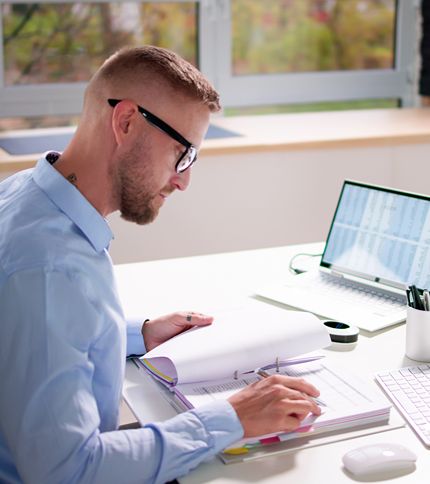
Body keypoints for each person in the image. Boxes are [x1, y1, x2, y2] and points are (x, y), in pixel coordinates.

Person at [0, 45, 321, 483]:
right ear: (126, 122)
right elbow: (67, 471)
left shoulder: (27, 195)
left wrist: (139, 334)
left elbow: (37, 331)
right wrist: (232, 417)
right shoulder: (50, 270)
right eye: (181, 153)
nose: (184, 180)